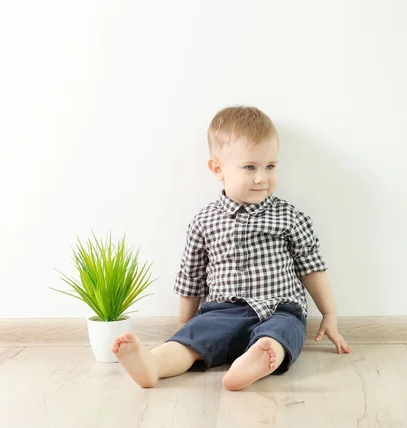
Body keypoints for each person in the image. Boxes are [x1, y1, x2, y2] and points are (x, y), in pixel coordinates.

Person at [112, 106, 351, 391]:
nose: (262, 177)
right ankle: (153, 364)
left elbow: (311, 267)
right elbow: (191, 278)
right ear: (218, 169)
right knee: (191, 341)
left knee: (281, 334)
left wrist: (330, 314)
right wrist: (185, 326)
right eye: (250, 167)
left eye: (270, 166)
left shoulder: (289, 217)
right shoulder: (204, 221)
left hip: (280, 308)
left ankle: (255, 359)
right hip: (221, 311)